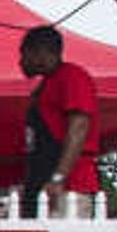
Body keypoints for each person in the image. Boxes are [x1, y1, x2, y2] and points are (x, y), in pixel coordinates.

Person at [16, 23, 98, 212]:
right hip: (44, 186)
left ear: (40, 52)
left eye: (24, 54)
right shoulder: (46, 85)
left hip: (69, 186)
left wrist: (58, 178)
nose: (21, 62)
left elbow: (79, 127)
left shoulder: (73, 77)